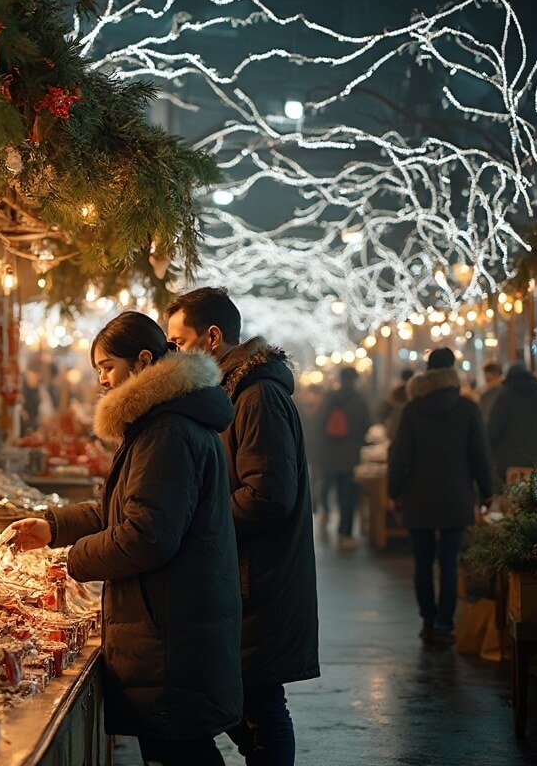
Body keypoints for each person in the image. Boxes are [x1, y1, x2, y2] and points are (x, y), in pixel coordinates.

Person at [10, 311, 242, 765]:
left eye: (107, 367)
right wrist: (54, 527)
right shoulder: (160, 423)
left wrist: (70, 560)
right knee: (182, 749)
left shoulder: (168, 431)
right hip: (173, 621)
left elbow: (145, 536)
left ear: (140, 361)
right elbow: (123, 510)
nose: (101, 380)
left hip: (172, 629)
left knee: (183, 751)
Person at [166, 287, 318, 766]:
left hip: (259, 579)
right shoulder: (231, 392)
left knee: (261, 711)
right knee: (249, 705)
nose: (172, 353)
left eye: (178, 341)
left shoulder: (257, 397)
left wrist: (200, 524)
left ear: (212, 337)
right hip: (244, 575)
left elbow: (269, 496)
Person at [387, 348, 492, 646]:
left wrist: (394, 492)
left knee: (422, 563)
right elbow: (480, 456)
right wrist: (487, 492)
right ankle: (446, 624)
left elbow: (400, 457)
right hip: (456, 494)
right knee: (448, 562)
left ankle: (428, 621)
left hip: (418, 496)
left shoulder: (412, 409)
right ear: (454, 371)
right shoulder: (468, 408)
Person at [314, 367, 371, 548]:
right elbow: (366, 425)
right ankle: (344, 532)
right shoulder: (360, 401)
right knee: (348, 493)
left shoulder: (329, 398)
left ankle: (325, 510)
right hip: (350, 453)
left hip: (330, 452)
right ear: (355, 379)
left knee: (332, 485)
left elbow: (319, 424)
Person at [488, 361, 537, 486]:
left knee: (512, 498)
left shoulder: (503, 397)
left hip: (508, 462)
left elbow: (493, 429)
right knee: (535, 497)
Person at [378, 368, 414, 442]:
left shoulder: (395, 392)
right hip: (412, 429)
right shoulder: (416, 392)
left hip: (395, 427)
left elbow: (383, 411)